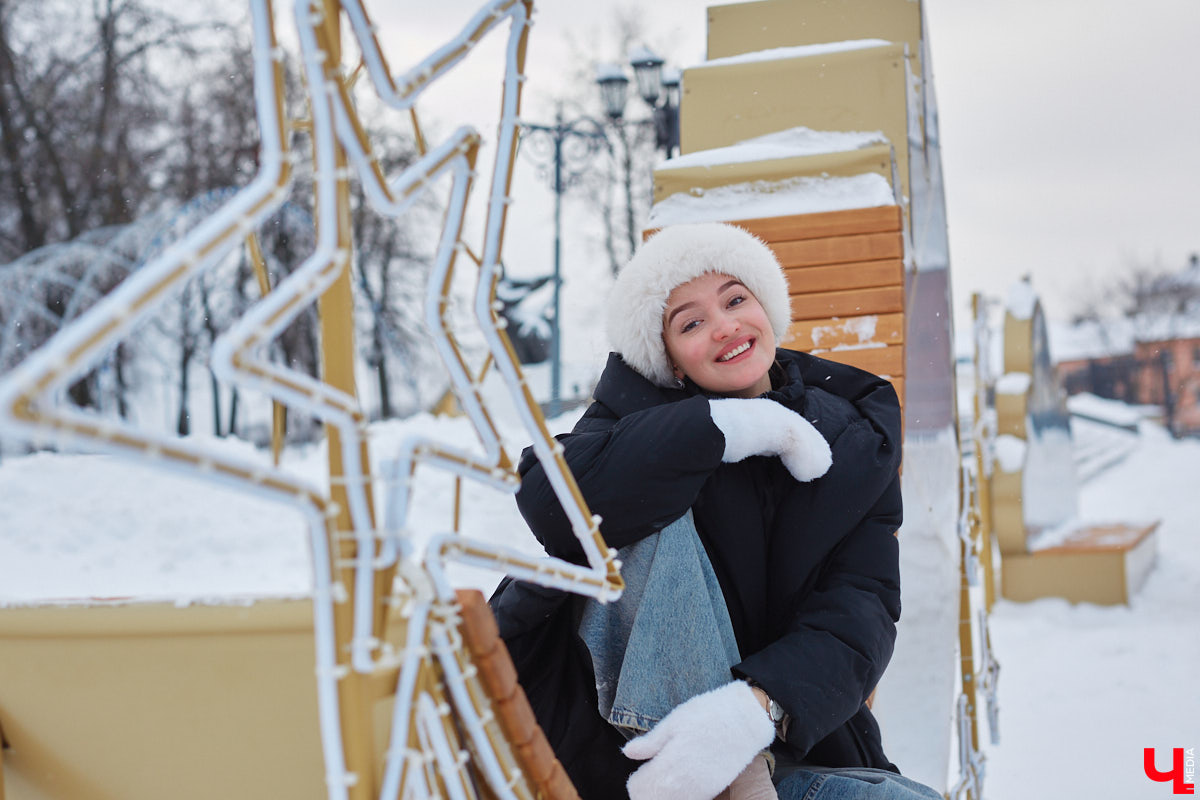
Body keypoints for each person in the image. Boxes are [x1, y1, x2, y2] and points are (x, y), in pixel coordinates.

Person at [490, 222, 940, 800]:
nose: (725, 326)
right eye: (691, 323)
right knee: (649, 509)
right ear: (671, 361)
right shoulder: (628, 423)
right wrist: (721, 428)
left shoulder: (852, 433)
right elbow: (555, 506)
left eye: (735, 299)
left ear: (766, 308)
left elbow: (861, 609)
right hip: (627, 760)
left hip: (781, 736)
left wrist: (755, 711)